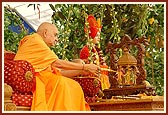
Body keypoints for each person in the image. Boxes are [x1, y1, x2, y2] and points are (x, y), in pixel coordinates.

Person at [14, 22, 100, 111]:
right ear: (45, 33)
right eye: (55, 35)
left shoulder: (41, 45)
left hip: (45, 78)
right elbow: (57, 63)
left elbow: (58, 72)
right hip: (36, 80)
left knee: (75, 85)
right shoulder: (35, 40)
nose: (56, 39)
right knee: (63, 84)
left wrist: (81, 71)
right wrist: (84, 67)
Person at [79, 15, 110, 90]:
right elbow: (87, 68)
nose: (98, 38)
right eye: (96, 36)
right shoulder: (86, 50)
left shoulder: (96, 49)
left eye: (99, 36)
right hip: (92, 79)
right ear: (90, 36)